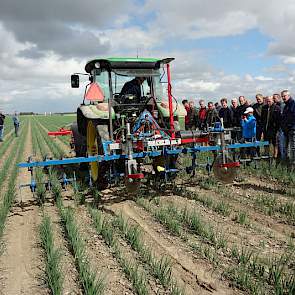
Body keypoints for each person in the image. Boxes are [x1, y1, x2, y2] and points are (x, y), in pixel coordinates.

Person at [281, 90, 295, 169]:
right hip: (286, 130)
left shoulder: (293, 104)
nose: (283, 97)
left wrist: (289, 125)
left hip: (292, 129)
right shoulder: (286, 106)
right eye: (282, 96)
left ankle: (293, 165)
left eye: (284, 96)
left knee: (293, 147)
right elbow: (284, 118)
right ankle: (289, 163)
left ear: (289, 96)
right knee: (286, 148)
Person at [273, 93, 286, 160]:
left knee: (281, 142)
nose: (273, 99)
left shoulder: (282, 105)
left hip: (282, 127)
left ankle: (283, 157)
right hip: (277, 127)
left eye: (274, 98)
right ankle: (279, 155)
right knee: (277, 142)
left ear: (278, 98)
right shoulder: (275, 105)